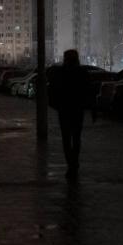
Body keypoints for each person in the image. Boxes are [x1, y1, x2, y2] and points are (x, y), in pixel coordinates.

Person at [47, 49, 92, 179]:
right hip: (77, 110)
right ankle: (74, 163)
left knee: (66, 139)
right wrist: (89, 107)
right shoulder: (82, 72)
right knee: (76, 138)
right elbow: (88, 91)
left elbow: (52, 90)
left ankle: (70, 164)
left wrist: (56, 105)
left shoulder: (60, 73)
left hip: (64, 110)